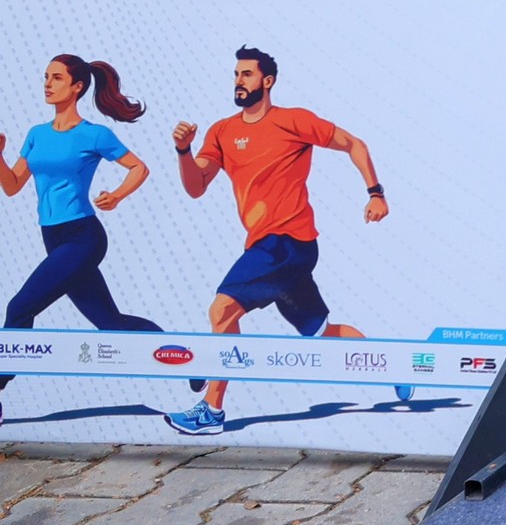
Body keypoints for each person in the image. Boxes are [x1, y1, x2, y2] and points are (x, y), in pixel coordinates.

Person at [164, 47, 388, 437]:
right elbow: (196, 186)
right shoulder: (221, 131)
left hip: (288, 241)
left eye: (247, 74)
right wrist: (183, 151)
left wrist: (375, 193)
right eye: (236, 74)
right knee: (321, 332)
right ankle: (392, 367)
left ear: (267, 81)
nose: (239, 81)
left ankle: (212, 410)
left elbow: (355, 144)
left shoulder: (293, 121)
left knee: (222, 310)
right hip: (270, 249)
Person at [0, 54, 161, 408]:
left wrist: (116, 195)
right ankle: (177, 352)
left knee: (20, 306)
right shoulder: (36, 134)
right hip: (53, 238)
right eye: (46, 76)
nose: (47, 84)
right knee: (111, 326)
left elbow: (138, 168)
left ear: (77, 87)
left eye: (56, 78)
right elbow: (12, 186)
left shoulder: (94, 134)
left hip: (82, 237)